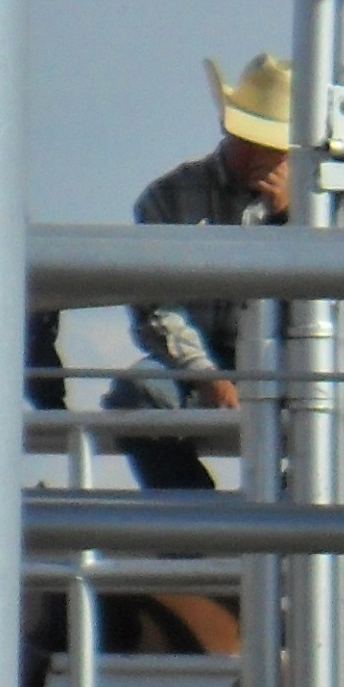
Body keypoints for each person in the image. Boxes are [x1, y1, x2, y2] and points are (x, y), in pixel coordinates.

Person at [112, 54, 294, 492]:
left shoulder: (317, 207)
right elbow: (156, 305)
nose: (263, 154)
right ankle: (198, 531)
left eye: (275, 145)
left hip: (289, 362)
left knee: (336, 405)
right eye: (254, 139)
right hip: (193, 360)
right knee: (137, 398)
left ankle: (288, 524)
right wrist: (205, 374)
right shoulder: (168, 197)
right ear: (230, 131)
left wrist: (291, 218)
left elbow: (330, 309)